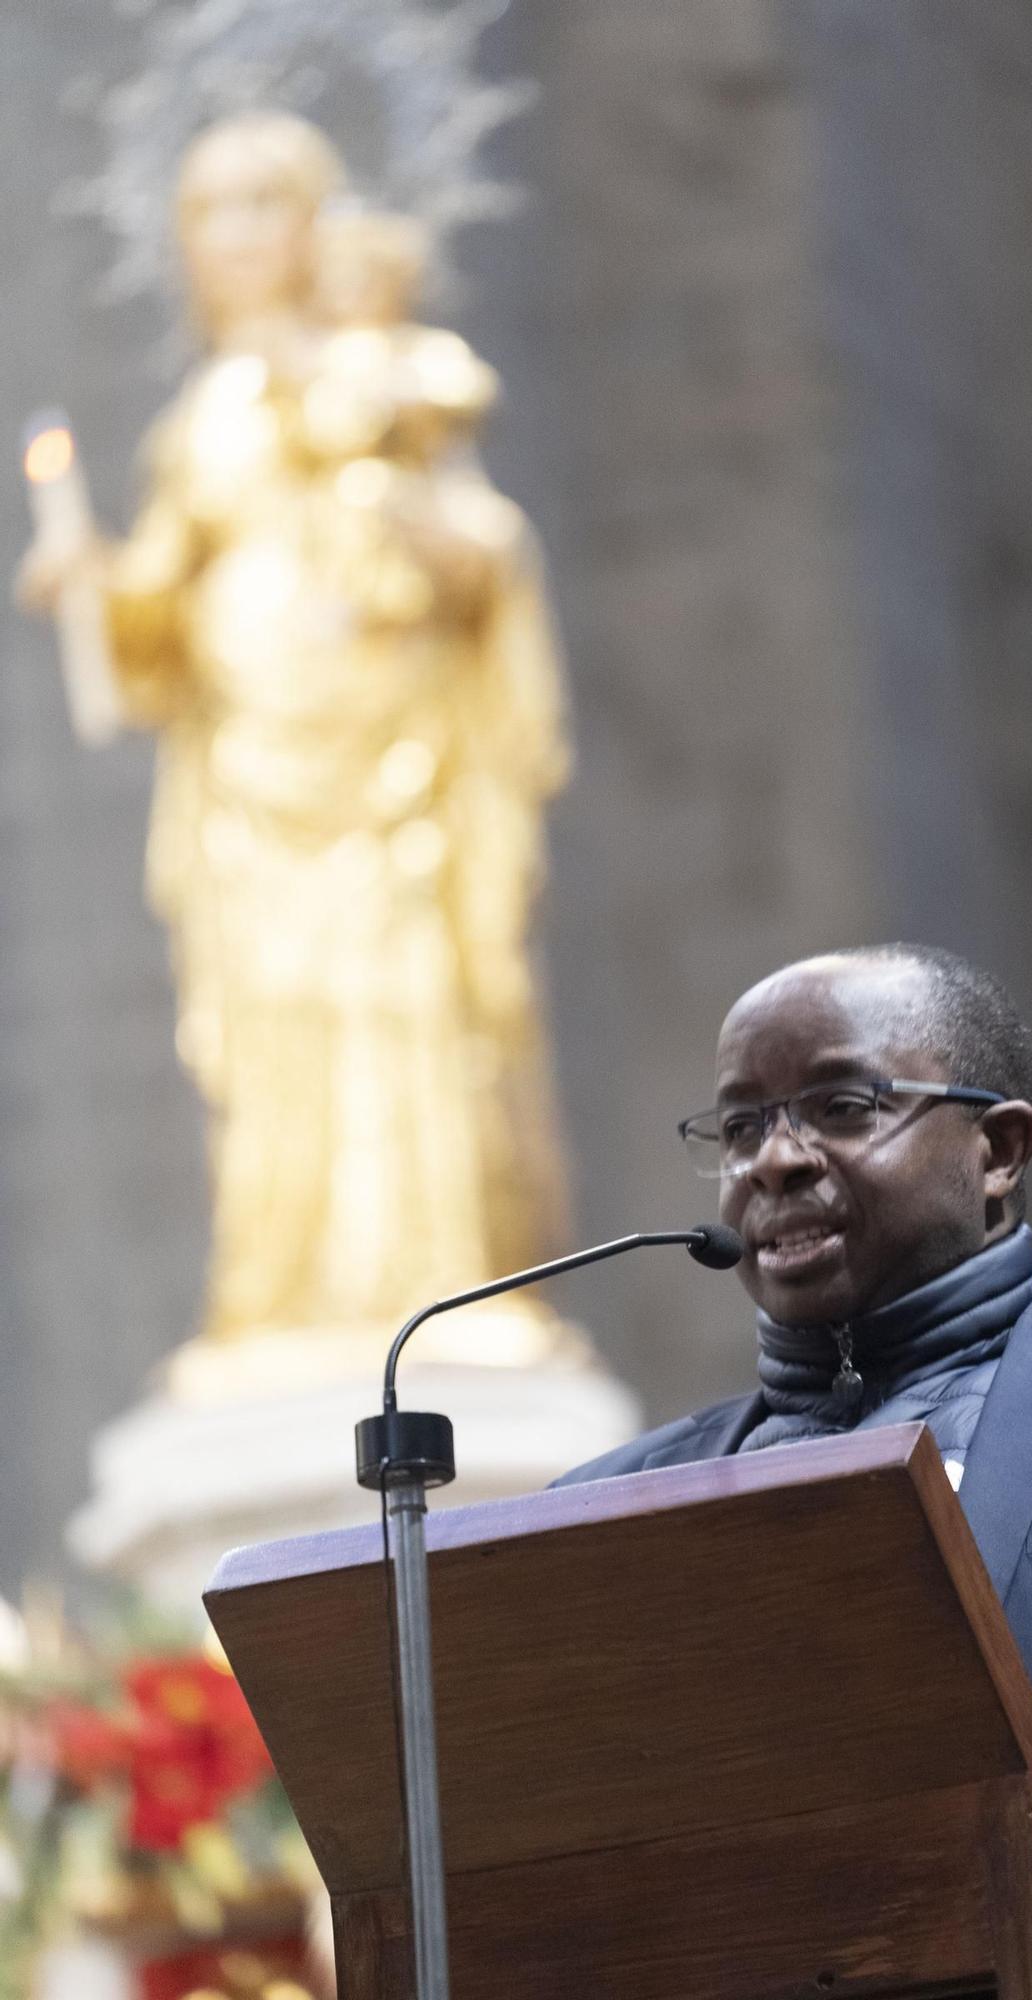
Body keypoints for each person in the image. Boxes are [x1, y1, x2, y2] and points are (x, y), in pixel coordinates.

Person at [556, 943, 1032, 2000]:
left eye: (839, 1105)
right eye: (741, 1125)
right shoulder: (602, 1508)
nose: (772, 1161)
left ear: (999, 1148)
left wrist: (976, 1773)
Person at [17, 113, 571, 1354]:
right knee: (274, 1030)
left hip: (396, 772)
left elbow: (485, 551)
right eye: (208, 212)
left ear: (321, 221)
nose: (239, 235)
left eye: (265, 202)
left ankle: (439, 1287)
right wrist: (89, 575)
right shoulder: (201, 420)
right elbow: (158, 616)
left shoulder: (395, 372)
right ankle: (284, 1299)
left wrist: (402, 506)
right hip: (252, 789)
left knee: (413, 1009)